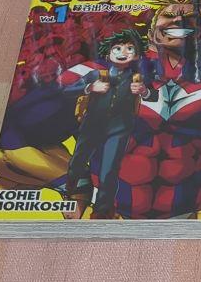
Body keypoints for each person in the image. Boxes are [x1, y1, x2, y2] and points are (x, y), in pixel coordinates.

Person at [62, 29, 155, 220]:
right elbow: (68, 91)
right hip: (91, 127)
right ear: (108, 53)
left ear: (137, 55)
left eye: (130, 49)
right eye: (117, 48)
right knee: (77, 163)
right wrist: (90, 87)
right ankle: (69, 193)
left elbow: (153, 95)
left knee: (109, 170)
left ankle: (102, 211)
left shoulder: (137, 78)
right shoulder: (96, 75)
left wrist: (144, 91)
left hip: (119, 130)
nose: (123, 52)